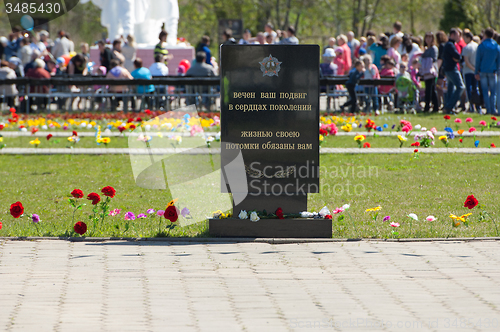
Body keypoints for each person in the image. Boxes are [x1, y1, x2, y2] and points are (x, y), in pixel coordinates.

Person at [475, 27, 500, 115]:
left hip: (483, 71)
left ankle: (488, 109)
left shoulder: (481, 46)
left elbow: (478, 60)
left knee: (485, 91)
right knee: (493, 92)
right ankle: (493, 109)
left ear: (485, 35)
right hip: (492, 71)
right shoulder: (496, 46)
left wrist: (476, 71)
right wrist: (496, 70)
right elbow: (498, 60)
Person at [442, 28, 465, 114]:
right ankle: (449, 106)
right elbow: (457, 56)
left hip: (448, 69)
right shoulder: (450, 45)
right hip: (452, 69)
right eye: (457, 35)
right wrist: (458, 58)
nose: (459, 37)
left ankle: (448, 107)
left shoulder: (448, 45)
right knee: (460, 87)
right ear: (452, 35)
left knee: (451, 88)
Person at [461, 30, 480, 113]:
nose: (464, 40)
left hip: (468, 71)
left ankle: (471, 106)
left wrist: (472, 68)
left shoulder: (466, 48)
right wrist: (476, 69)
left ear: (468, 37)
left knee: (469, 89)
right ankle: (478, 106)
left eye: (464, 38)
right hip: (476, 70)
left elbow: (466, 61)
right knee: (476, 88)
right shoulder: (477, 46)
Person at [421, 32, 439, 113]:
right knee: (429, 89)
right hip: (426, 71)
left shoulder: (433, 49)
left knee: (431, 89)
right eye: (427, 38)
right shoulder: (426, 48)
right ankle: (433, 106)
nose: (428, 39)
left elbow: (434, 59)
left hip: (431, 71)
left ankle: (430, 106)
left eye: (430, 38)